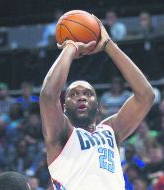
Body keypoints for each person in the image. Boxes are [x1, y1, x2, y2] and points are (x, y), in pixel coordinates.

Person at [39, 15, 154, 189]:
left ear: (97, 105)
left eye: (88, 93)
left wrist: (109, 46)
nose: (81, 96)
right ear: (63, 107)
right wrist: (70, 48)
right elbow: (48, 96)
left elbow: (146, 95)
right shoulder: (60, 134)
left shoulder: (111, 130)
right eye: (73, 94)